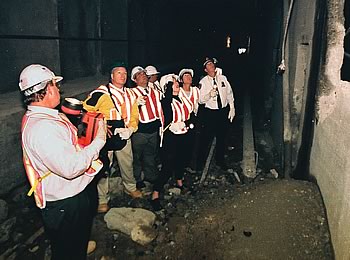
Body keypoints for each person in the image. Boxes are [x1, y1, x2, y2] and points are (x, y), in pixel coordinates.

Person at [19, 64, 106, 259]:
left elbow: (67, 144)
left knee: (73, 241)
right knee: (68, 251)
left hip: (67, 196)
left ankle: (79, 244)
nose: (58, 90)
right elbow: (71, 167)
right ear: (48, 88)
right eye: (56, 86)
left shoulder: (42, 116)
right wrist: (99, 141)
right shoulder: (43, 128)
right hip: (66, 202)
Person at [83, 62, 142, 213]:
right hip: (106, 136)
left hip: (124, 134)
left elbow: (134, 114)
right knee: (103, 167)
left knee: (127, 162)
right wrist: (101, 124)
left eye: (124, 73)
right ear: (112, 76)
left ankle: (130, 188)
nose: (123, 76)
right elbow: (86, 108)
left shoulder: (130, 93)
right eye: (119, 73)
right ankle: (102, 199)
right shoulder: (102, 92)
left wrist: (131, 129)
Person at [150, 74, 194, 211]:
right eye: (173, 83)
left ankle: (179, 182)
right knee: (168, 166)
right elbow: (168, 119)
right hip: (170, 138)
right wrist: (180, 123)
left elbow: (190, 114)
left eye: (176, 82)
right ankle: (155, 193)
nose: (176, 84)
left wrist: (188, 124)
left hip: (183, 135)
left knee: (181, 160)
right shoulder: (165, 101)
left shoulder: (182, 98)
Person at [198, 57, 235, 171]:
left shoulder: (222, 78)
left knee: (222, 137)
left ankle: (220, 161)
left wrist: (232, 108)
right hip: (210, 113)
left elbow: (229, 93)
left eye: (212, 64)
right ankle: (200, 163)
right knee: (206, 138)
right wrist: (209, 94)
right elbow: (200, 100)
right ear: (205, 70)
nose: (211, 66)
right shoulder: (203, 82)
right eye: (208, 65)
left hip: (222, 112)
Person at [131, 66, 163, 190]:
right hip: (140, 131)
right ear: (134, 79)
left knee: (151, 154)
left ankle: (151, 176)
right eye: (139, 74)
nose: (143, 76)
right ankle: (137, 179)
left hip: (153, 129)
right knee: (136, 156)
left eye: (144, 73)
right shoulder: (131, 93)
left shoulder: (154, 91)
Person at [178, 68, 200, 171]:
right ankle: (180, 166)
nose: (189, 77)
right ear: (181, 80)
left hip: (193, 119)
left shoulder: (195, 90)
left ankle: (190, 165)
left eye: (190, 76)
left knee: (193, 143)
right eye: (186, 76)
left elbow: (201, 100)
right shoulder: (178, 91)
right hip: (181, 120)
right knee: (182, 144)